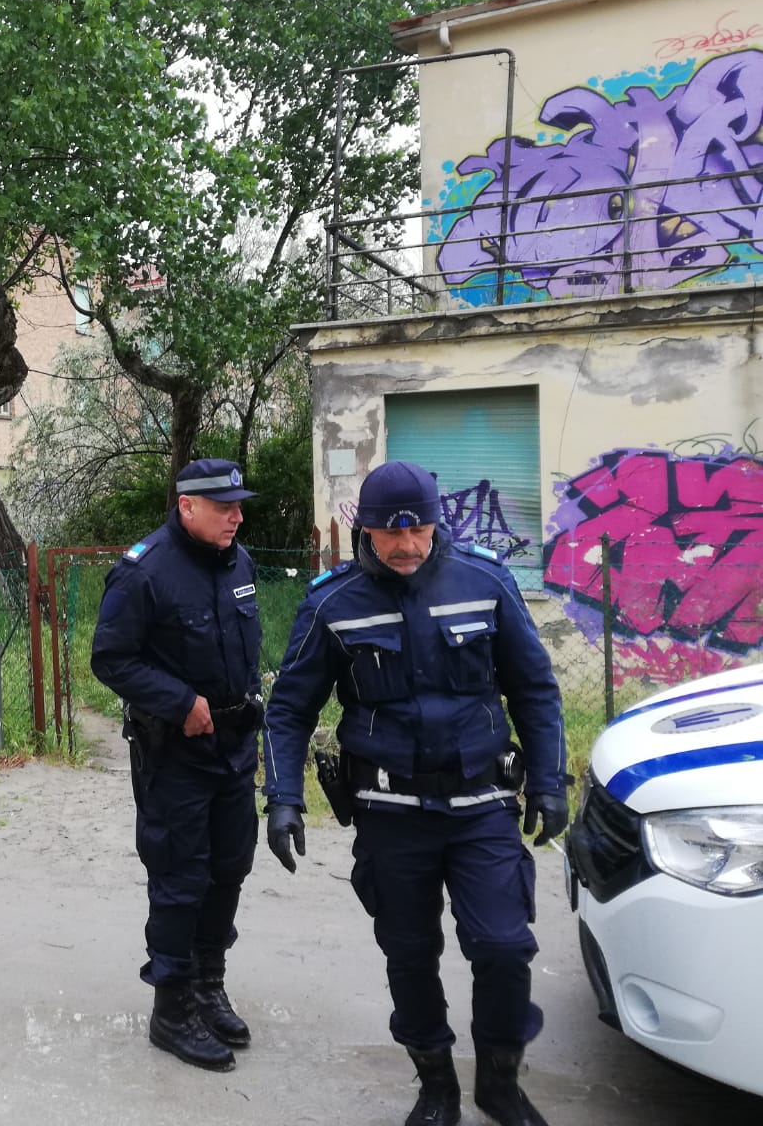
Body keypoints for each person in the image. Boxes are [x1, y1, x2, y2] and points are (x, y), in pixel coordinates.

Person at [261, 461, 569, 1126]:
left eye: (418, 530)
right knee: (408, 952)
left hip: (479, 806)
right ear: (363, 529)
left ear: (436, 521)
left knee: (502, 947)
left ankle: (498, 1080)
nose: (404, 545)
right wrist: (282, 797)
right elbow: (288, 708)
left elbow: (534, 689)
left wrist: (548, 780)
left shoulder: (484, 582)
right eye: (387, 533)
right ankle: (434, 1084)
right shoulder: (330, 603)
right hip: (389, 814)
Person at [89, 458, 263, 1072]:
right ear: (188, 506)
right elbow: (111, 658)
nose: (237, 515)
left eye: (239, 505)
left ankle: (206, 985)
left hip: (236, 750)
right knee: (180, 877)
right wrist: (180, 701)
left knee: (229, 869)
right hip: (177, 757)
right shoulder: (145, 572)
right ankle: (171, 1007)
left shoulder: (236, 560)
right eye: (225, 506)